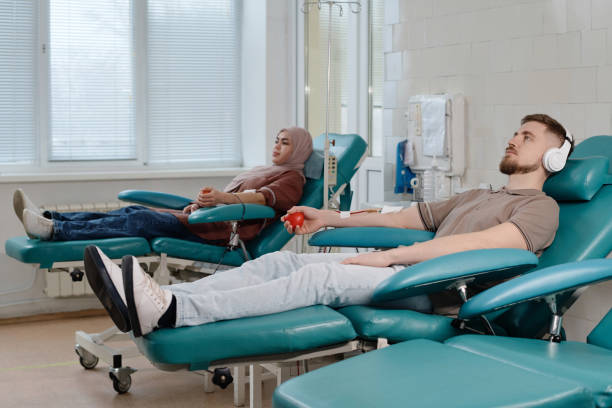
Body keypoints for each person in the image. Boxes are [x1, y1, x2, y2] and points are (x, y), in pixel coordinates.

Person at [85, 114, 574, 338]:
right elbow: (404, 217)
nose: (512, 140)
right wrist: (330, 216)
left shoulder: (540, 208)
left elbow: (485, 247)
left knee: (319, 276)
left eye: (526, 138)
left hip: (441, 291)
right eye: (513, 132)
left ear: (553, 156)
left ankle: (174, 315)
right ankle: (166, 303)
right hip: (408, 274)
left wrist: (386, 257)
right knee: (281, 259)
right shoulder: (480, 194)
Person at [13, 127, 313, 245]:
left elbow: (262, 200)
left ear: (298, 150)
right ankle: (51, 219)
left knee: (140, 220)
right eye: (276, 140)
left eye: (285, 143)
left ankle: (55, 232)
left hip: (223, 231)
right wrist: (201, 203)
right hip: (206, 219)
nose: (277, 146)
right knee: (133, 211)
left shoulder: (292, 178)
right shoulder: (267, 169)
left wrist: (220, 198)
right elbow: (239, 196)